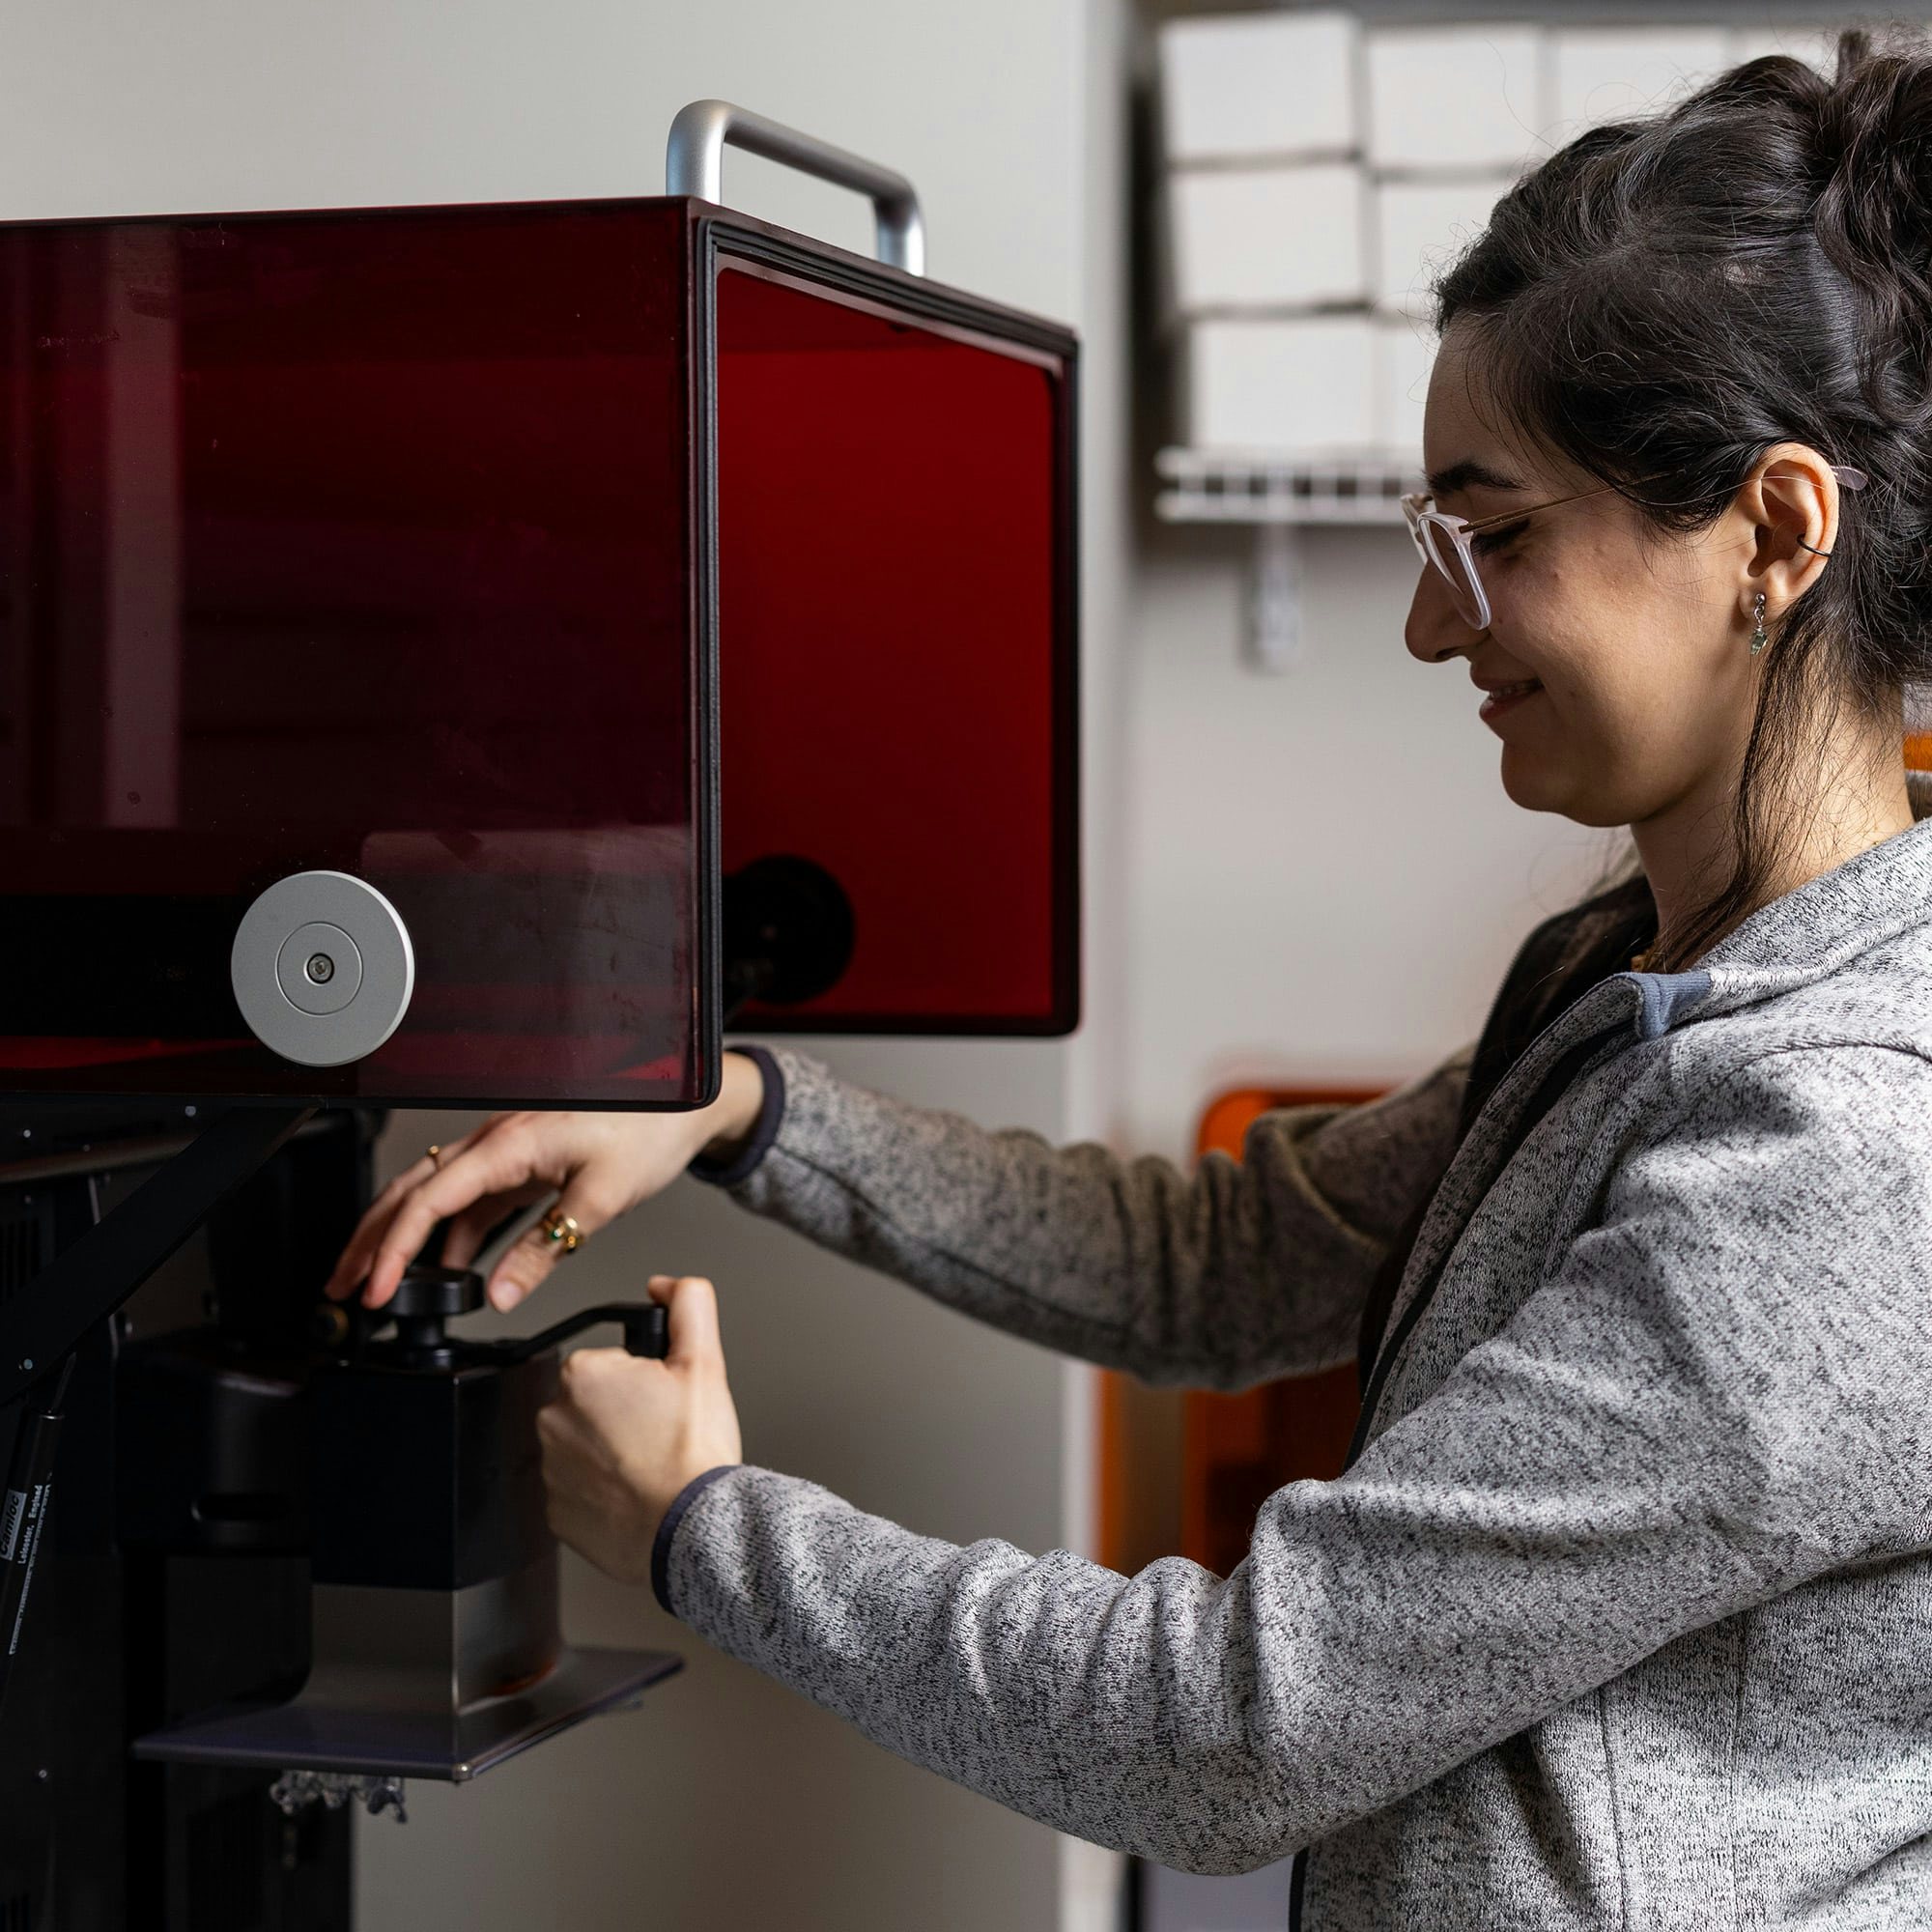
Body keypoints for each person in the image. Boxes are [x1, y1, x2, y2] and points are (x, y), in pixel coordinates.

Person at [327, 26, 1932, 1926]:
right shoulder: (1625, 967)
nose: (1433, 620)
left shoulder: (1834, 1159)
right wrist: (742, 1106)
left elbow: (1232, 1728)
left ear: (1772, 531)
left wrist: (701, 1532)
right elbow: (1226, 1264)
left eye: (1490, 536)